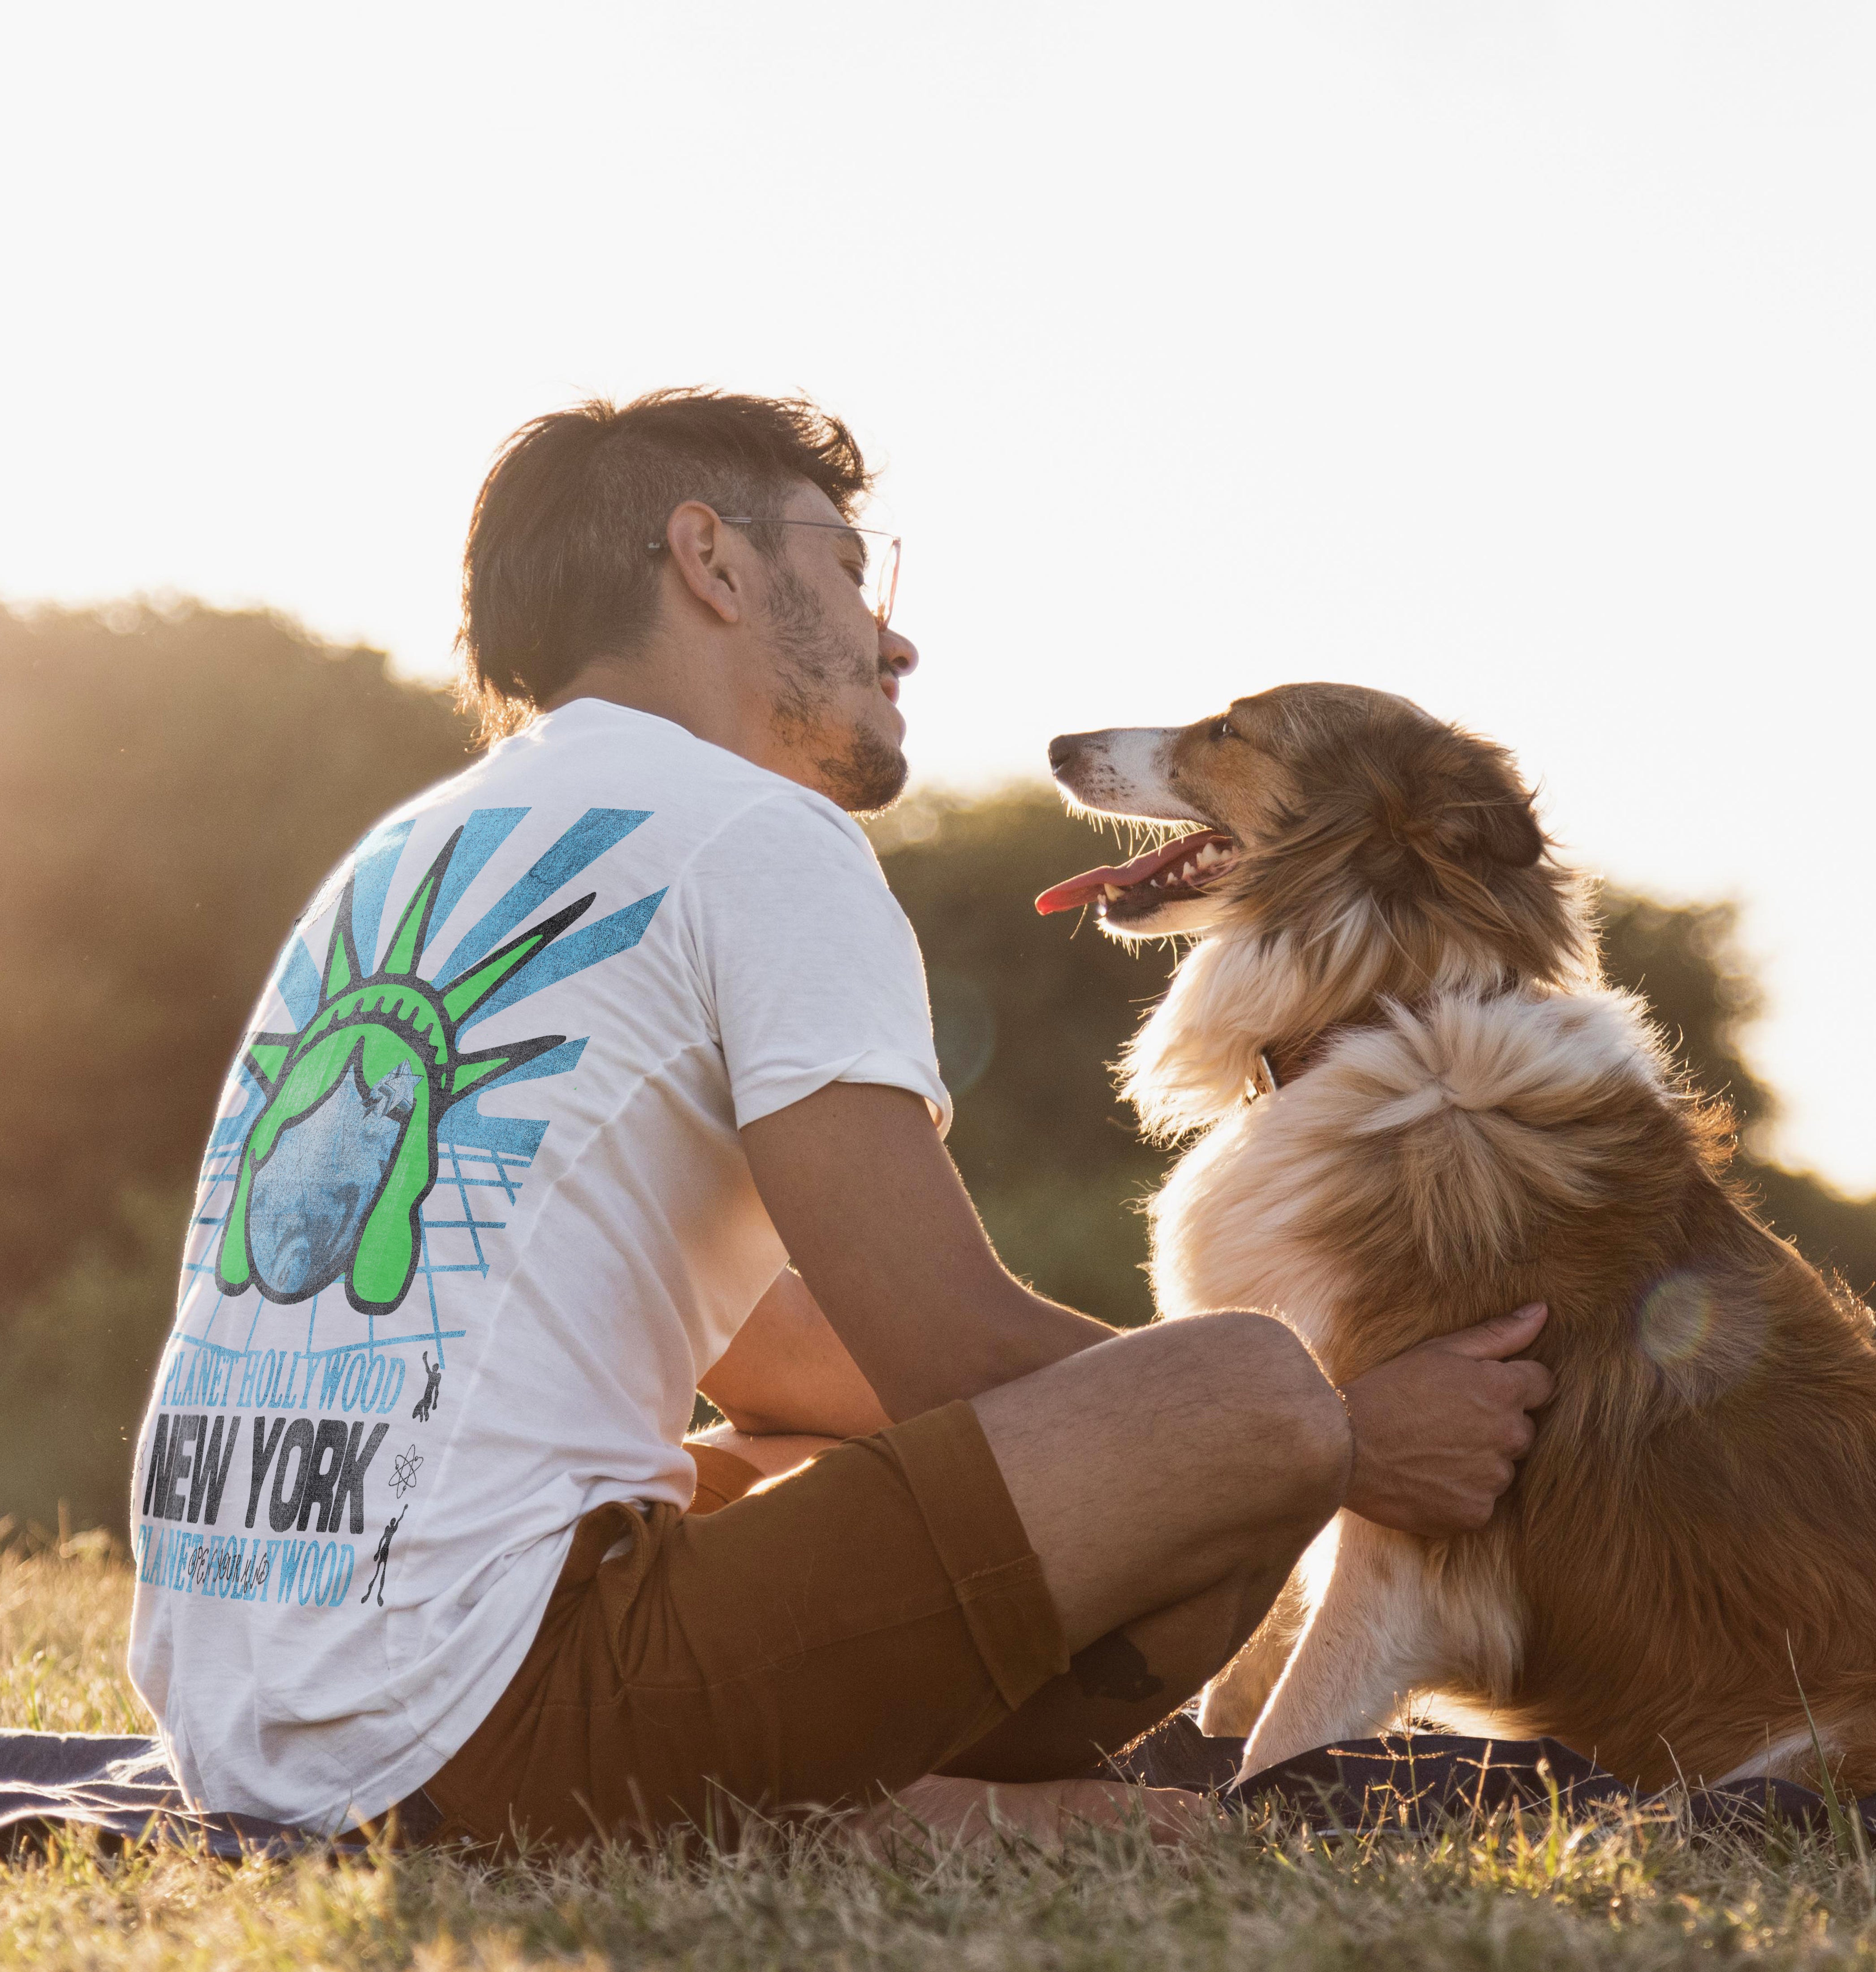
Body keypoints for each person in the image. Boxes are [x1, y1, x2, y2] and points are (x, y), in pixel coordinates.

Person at [125, 389, 1552, 1848]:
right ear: (715, 564)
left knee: (783, 1461)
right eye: (848, 570)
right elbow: (950, 1349)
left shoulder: (410, 851)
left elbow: (762, 1343)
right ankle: (865, 1817)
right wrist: (1341, 1437)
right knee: (1242, 1391)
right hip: (475, 1728)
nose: (894, 638)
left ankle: (797, 1785)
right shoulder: (757, 836)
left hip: (242, 1714)